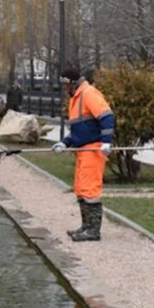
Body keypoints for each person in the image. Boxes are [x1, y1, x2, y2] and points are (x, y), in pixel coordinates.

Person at [52, 66, 114, 242]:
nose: (64, 90)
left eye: (65, 86)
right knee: (81, 189)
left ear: (71, 84)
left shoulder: (88, 94)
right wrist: (64, 143)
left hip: (93, 149)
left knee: (89, 190)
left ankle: (93, 231)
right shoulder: (76, 98)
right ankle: (86, 227)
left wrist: (106, 141)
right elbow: (79, 130)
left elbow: (107, 117)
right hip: (83, 149)